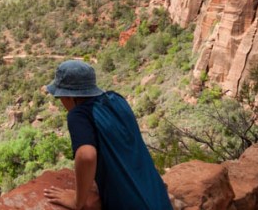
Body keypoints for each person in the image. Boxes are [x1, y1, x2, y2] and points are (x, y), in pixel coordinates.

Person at [43, 60, 171, 210]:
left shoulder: (79, 115)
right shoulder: (117, 99)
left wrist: (78, 201)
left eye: (59, 97)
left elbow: (86, 156)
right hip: (158, 198)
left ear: (70, 96)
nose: (61, 102)